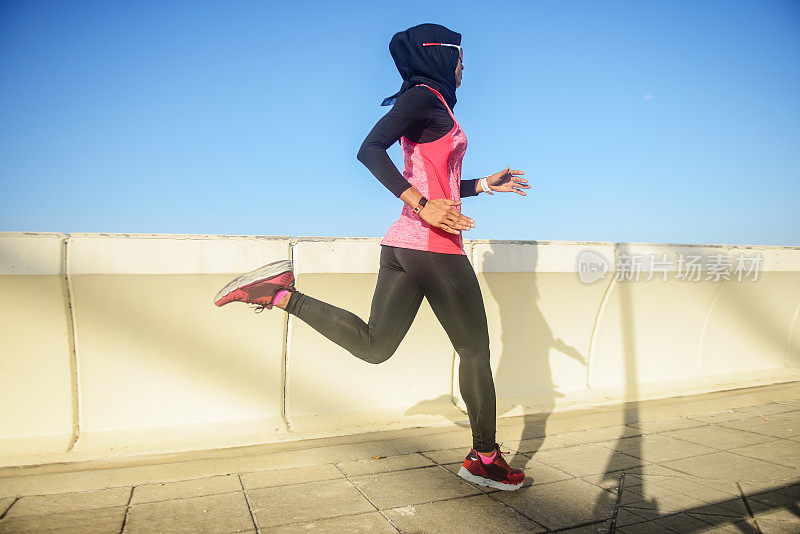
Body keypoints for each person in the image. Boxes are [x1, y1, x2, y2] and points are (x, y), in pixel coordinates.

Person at [215, 23, 530, 491]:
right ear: (441, 57)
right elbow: (369, 150)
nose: (465, 68)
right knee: (475, 351)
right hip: (432, 247)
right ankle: (484, 459)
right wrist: (425, 207)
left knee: (374, 346)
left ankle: (281, 294)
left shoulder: (432, 103)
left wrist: (482, 185)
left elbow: (436, 184)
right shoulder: (424, 96)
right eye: (461, 59)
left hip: (402, 245)